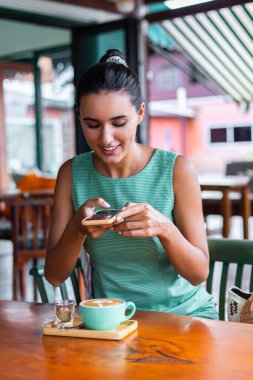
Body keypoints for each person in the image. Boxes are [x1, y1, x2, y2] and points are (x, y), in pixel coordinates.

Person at [45, 48, 218, 319]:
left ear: (139, 113)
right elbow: (54, 276)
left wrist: (164, 228)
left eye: (119, 123)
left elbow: (198, 274)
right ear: (79, 117)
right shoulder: (71, 173)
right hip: (112, 320)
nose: (106, 138)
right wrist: (76, 230)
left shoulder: (176, 170)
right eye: (92, 125)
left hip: (186, 317)